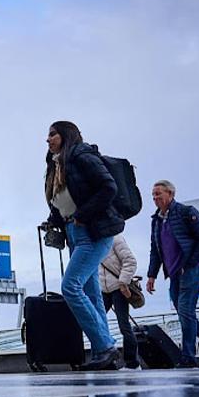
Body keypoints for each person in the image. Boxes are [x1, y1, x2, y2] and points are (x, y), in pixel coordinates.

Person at [44, 121, 125, 370]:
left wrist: (83, 215)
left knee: (70, 286)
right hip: (73, 232)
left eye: (52, 134)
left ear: (65, 135)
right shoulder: (56, 164)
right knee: (91, 294)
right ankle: (104, 351)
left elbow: (108, 187)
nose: (47, 140)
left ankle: (106, 348)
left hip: (93, 231)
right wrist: (52, 221)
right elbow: (64, 201)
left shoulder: (81, 155)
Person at [145, 180, 199, 369]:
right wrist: (151, 275)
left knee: (186, 311)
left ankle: (188, 357)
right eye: (153, 195)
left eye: (159, 194)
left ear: (171, 194)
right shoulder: (156, 220)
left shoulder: (186, 212)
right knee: (184, 313)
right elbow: (155, 250)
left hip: (193, 269)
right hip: (174, 273)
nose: (155, 198)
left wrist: (188, 264)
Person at [99, 234, 140, 370]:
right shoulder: (93, 242)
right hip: (103, 289)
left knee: (124, 325)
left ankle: (132, 363)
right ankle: (106, 359)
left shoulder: (116, 239)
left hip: (118, 288)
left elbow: (130, 261)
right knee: (97, 324)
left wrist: (123, 282)